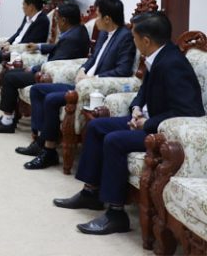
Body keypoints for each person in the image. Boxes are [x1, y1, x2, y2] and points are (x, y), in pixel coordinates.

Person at [53, 12, 204, 235]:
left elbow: (188, 110)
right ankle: (90, 193)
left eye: (134, 37)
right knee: (96, 126)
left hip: (165, 132)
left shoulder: (173, 64)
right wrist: (135, 108)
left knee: (114, 140)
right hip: (146, 119)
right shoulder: (158, 55)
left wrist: (147, 123)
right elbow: (144, 90)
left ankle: (116, 214)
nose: (133, 41)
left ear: (146, 40)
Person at [21, 0, 136, 169]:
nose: (95, 20)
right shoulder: (104, 33)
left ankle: (49, 151)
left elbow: (123, 70)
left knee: (51, 99)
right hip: (82, 83)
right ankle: (40, 141)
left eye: (98, 16)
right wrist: (83, 69)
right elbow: (93, 59)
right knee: (38, 90)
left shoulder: (125, 37)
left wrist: (94, 79)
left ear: (107, 19)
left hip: (94, 88)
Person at [0, 2, 90, 132]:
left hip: (51, 74)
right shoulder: (77, 30)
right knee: (11, 73)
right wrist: (39, 46)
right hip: (50, 68)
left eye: (57, 19)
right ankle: (9, 117)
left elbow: (57, 59)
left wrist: (34, 68)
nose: (57, 23)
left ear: (64, 20)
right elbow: (58, 47)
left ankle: (7, 122)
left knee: (10, 77)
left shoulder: (72, 38)